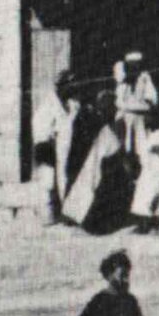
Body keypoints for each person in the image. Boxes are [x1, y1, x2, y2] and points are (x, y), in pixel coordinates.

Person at [42, 72, 102, 226]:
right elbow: (42, 127)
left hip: (74, 144)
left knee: (74, 176)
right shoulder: (50, 104)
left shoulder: (73, 102)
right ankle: (61, 212)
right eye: (70, 85)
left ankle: (72, 211)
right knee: (58, 178)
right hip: (58, 146)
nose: (74, 89)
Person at [112, 53, 159, 154]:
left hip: (140, 116)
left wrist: (149, 104)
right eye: (132, 65)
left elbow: (152, 96)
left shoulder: (144, 76)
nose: (135, 68)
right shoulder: (121, 78)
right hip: (125, 115)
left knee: (142, 142)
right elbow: (120, 103)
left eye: (137, 65)